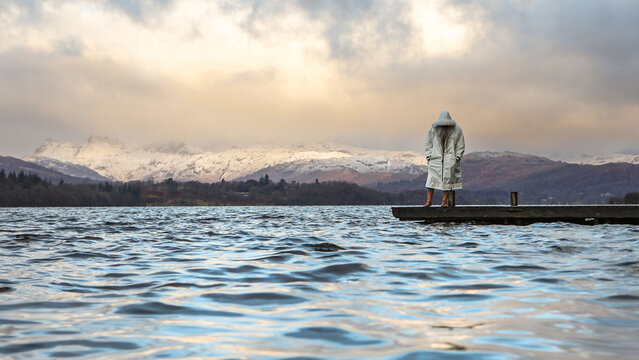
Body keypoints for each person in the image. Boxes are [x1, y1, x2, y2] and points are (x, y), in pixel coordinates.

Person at [424, 111, 465, 207]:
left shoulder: (457, 129)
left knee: (448, 181)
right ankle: (429, 201)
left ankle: (444, 202)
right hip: (435, 159)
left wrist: (457, 157)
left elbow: (460, 144)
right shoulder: (433, 129)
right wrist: (429, 156)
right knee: (431, 180)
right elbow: (428, 143)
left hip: (450, 159)